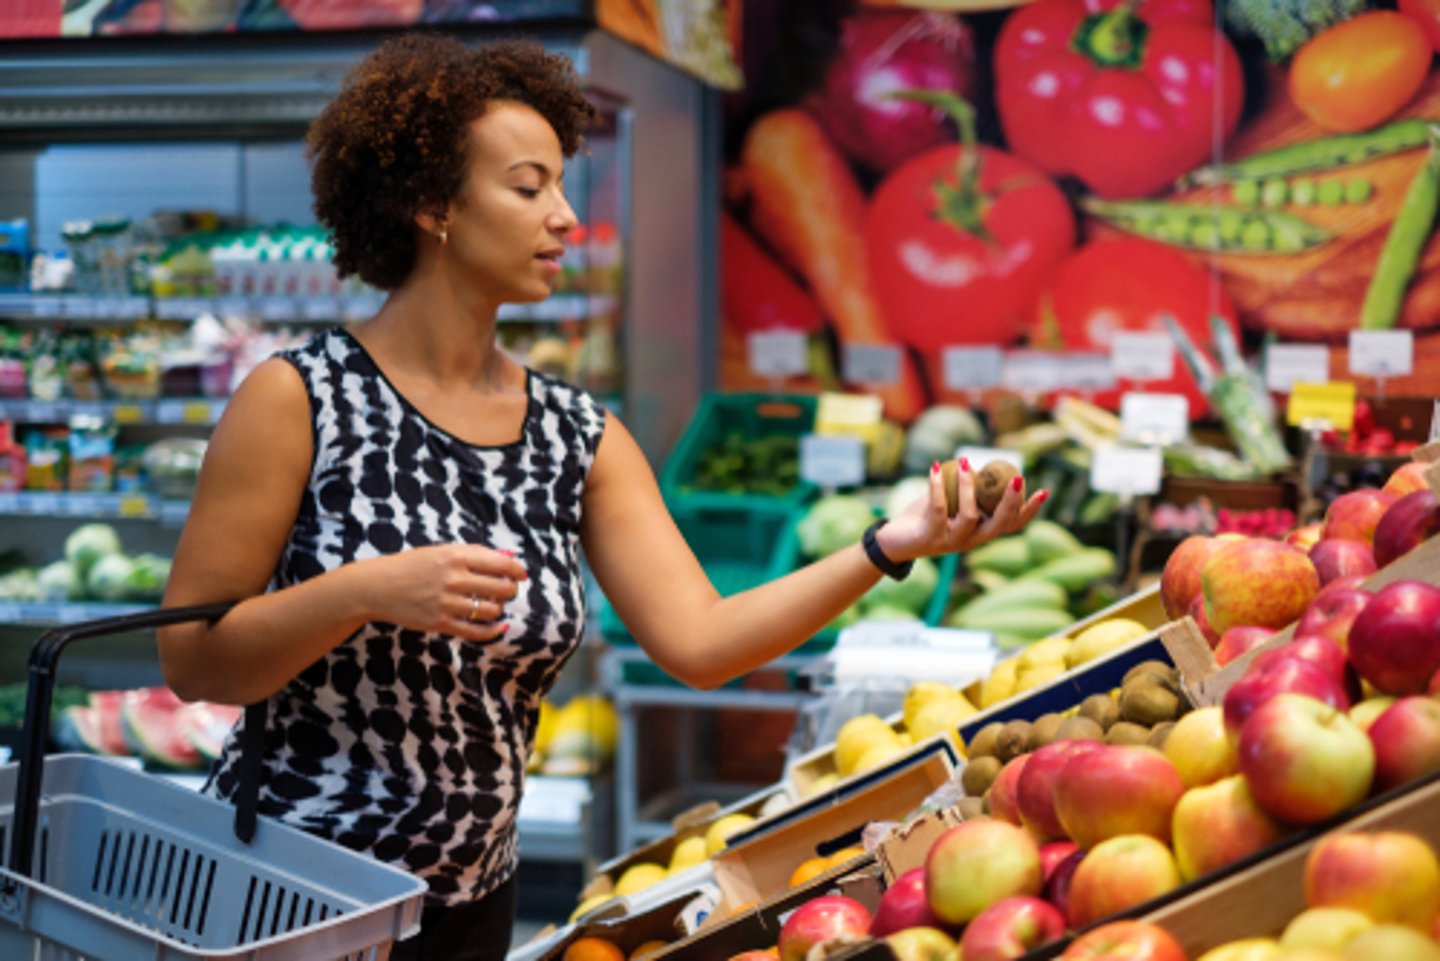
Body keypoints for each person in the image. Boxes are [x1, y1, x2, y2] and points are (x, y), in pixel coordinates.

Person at [156, 32, 1046, 961]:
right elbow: (193, 658)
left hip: (469, 906)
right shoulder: (300, 397)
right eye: (529, 186)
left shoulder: (576, 434)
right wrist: (366, 591)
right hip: (292, 900)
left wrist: (888, 544)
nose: (566, 218)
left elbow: (701, 643)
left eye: (560, 186)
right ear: (431, 204)